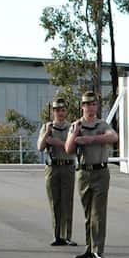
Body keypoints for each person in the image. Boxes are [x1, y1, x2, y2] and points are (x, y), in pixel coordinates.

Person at [65, 90, 120, 258]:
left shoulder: (102, 125)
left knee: (98, 212)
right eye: (87, 104)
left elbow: (113, 137)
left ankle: (98, 248)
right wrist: (75, 135)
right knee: (88, 213)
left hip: (100, 172)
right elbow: (68, 149)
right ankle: (89, 247)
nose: (91, 107)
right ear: (82, 106)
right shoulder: (76, 125)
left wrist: (91, 140)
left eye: (93, 104)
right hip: (84, 172)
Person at [37, 96, 77, 247]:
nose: (60, 113)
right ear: (53, 111)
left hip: (67, 166)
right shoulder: (47, 127)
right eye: (57, 110)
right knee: (54, 202)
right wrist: (47, 133)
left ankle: (67, 235)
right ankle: (57, 235)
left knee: (67, 201)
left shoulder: (72, 127)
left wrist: (57, 143)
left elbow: (73, 147)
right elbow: (40, 147)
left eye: (62, 110)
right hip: (52, 167)